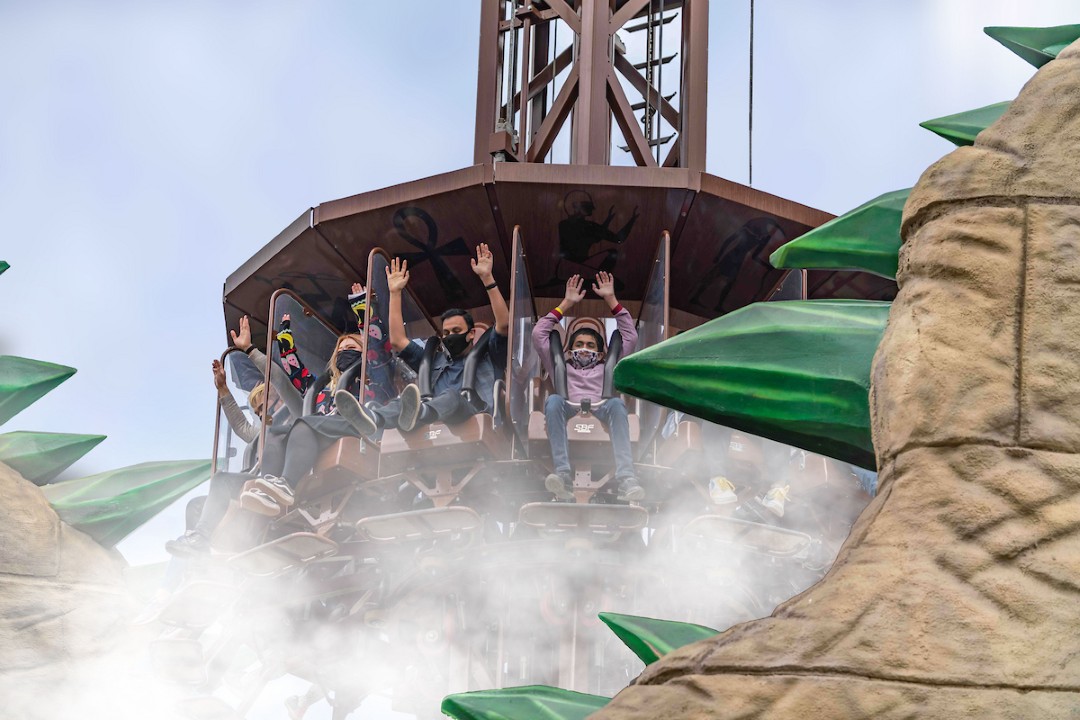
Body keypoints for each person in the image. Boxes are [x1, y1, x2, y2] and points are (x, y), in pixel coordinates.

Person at [334, 243, 508, 436]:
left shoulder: (490, 356)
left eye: (457, 330)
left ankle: (420, 412)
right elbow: (398, 341)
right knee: (402, 402)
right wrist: (395, 293)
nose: (451, 336)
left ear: (471, 333)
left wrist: (487, 278)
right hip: (435, 426)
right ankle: (374, 418)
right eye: (446, 332)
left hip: (476, 417)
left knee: (450, 397)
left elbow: (504, 325)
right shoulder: (433, 362)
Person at [532, 272, 643, 502]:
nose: (584, 348)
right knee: (553, 401)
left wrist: (611, 300)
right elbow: (538, 334)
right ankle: (562, 474)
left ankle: (627, 478)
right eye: (579, 344)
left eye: (591, 345)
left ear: (601, 353)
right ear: (570, 350)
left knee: (617, 404)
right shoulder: (560, 366)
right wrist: (566, 304)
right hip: (568, 405)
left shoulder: (609, 366)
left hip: (602, 406)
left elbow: (630, 337)